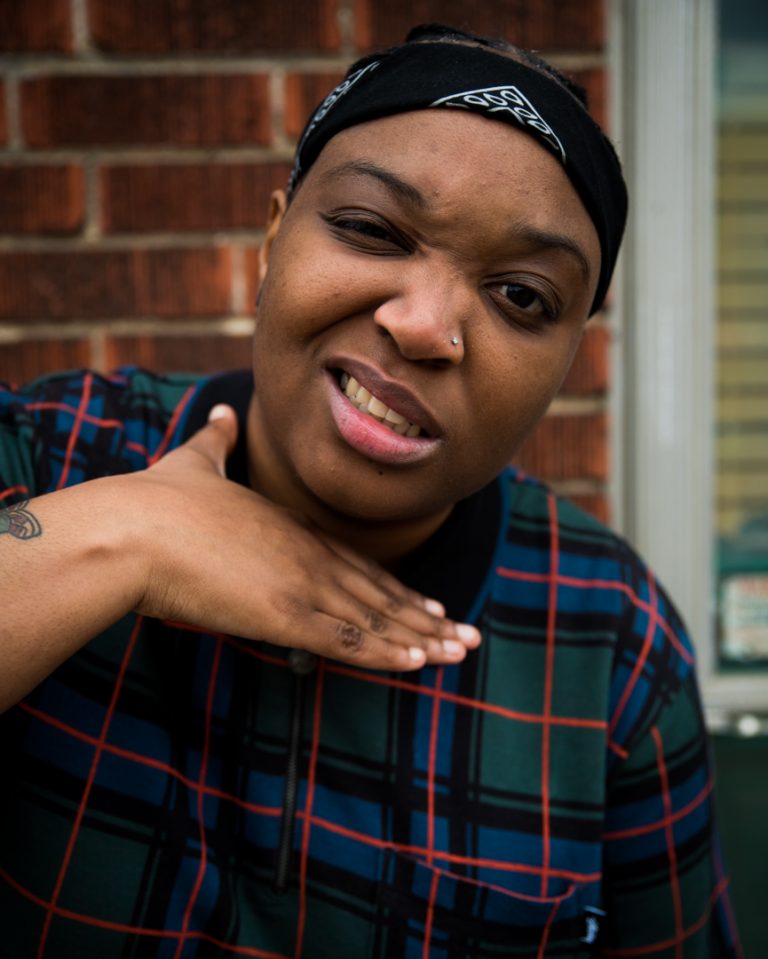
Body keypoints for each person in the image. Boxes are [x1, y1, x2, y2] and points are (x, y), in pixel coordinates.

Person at [0, 23, 741, 959]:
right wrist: (123, 536)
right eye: (371, 229)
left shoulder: (613, 643)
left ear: (568, 363)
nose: (426, 325)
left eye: (522, 295)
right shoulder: (49, 456)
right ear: (272, 240)